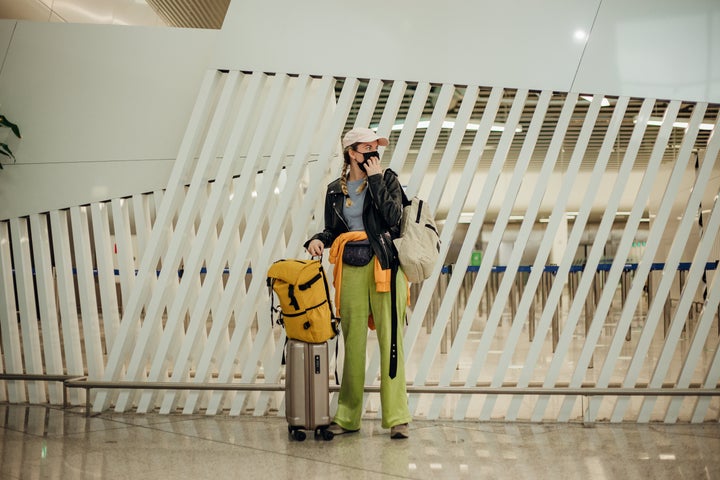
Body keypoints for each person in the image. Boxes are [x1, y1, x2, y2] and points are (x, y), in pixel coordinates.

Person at [305, 127, 412, 439]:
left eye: (376, 148)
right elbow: (333, 231)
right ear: (352, 152)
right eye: (368, 148)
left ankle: (397, 418)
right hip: (350, 267)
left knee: (391, 342)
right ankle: (348, 416)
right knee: (351, 345)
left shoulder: (387, 178)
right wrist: (316, 240)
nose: (374, 154)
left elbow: (394, 219)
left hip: (385, 265)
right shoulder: (334, 190)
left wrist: (376, 180)